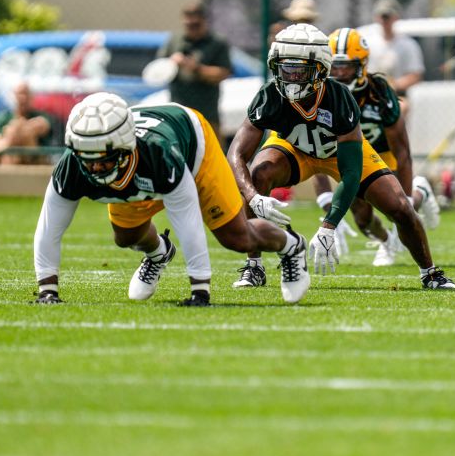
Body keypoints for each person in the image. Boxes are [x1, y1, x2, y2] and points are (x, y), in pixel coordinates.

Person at [227, 23, 455, 290]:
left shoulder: (339, 97)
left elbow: (350, 172)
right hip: (294, 148)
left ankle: (430, 273)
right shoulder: (270, 95)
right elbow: (236, 154)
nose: (290, 77)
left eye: (300, 70)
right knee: (257, 175)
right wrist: (254, 197)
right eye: (284, 68)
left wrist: (328, 226)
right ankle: (253, 266)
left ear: (321, 69)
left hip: (339, 153)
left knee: (401, 209)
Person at [30, 92, 311, 307]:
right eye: (87, 159)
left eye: (104, 159)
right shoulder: (71, 167)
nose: (95, 168)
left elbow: (187, 221)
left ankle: (291, 246)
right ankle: (158, 253)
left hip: (192, 145)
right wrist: (47, 291)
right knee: (126, 237)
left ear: (126, 148)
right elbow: (49, 227)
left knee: (236, 238)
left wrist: (199, 291)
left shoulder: (158, 155)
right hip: (146, 162)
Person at [310, 28, 442, 267]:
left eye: (346, 67)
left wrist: (408, 197)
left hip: (384, 158)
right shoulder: (320, 94)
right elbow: (315, 149)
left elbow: (402, 150)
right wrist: (326, 201)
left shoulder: (379, 91)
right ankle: (386, 241)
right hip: (350, 159)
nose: (338, 74)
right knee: (362, 218)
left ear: (361, 66)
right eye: (334, 67)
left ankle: (420, 191)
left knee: (400, 208)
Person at [158, 3, 233, 131]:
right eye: (188, 25)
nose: (192, 28)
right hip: (178, 112)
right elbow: (158, 69)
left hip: (206, 114)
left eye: (196, 25)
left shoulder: (216, 42)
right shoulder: (175, 40)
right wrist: (171, 63)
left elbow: (224, 73)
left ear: (204, 21)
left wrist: (196, 68)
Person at [355, 0, 425, 99]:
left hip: (396, 95)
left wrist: (393, 85)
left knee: (401, 108)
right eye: (382, 16)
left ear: (396, 17)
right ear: (376, 17)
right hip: (367, 93)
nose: (384, 20)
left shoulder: (407, 44)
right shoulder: (366, 41)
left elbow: (416, 75)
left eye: (387, 16)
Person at [0, 81, 57, 165]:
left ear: (32, 97)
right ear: (13, 96)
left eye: (26, 94)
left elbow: (42, 125)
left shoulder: (41, 115)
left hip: (33, 160)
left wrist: (15, 129)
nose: (23, 98)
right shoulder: (3, 117)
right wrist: (13, 135)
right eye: (19, 94)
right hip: (8, 159)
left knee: (18, 134)